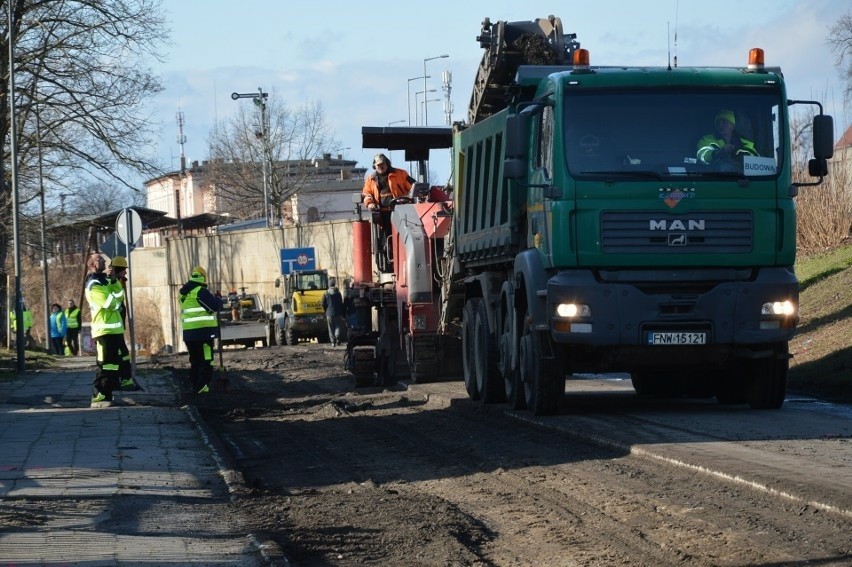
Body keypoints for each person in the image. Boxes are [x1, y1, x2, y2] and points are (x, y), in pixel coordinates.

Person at [85, 254, 132, 407]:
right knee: (105, 364)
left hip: (114, 329)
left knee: (112, 365)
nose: (105, 261)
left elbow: (119, 295)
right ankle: (98, 395)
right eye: (100, 260)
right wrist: (116, 302)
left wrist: (113, 280)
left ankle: (107, 394)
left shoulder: (106, 280)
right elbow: (110, 303)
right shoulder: (94, 284)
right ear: (92, 264)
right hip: (103, 330)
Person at [179, 266, 223, 394]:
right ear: (203, 278)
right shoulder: (200, 291)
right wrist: (219, 298)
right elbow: (213, 307)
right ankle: (202, 386)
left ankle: (194, 385)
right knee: (207, 360)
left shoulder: (183, 294)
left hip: (189, 335)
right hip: (204, 334)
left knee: (195, 360)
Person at [322, 278, 345, 347]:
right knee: (338, 326)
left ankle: (333, 342)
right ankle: (338, 338)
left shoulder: (326, 293)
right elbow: (341, 303)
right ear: (334, 284)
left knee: (330, 328)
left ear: (329, 284)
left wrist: (326, 310)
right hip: (338, 313)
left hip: (329, 313)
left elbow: (323, 303)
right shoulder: (338, 293)